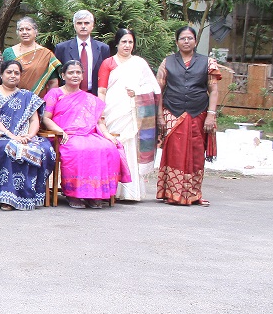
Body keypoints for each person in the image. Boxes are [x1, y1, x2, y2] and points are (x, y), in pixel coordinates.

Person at [42, 60, 126, 208]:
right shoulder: (55, 94)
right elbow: (46, 118)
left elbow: (99, 122)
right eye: (70, 72)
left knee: (107, 148)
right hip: (65, 136)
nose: (75, 75)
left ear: (82, 76)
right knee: (79, 150)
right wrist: (60, 131)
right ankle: (74, 194)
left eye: (78, 72)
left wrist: (108, 135)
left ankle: (94, 194)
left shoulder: (90, 99)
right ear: (63, 75)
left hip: (88, 134)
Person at [155, 26, 221, 206]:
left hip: (198, 112)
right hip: (172, 111)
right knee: (174, 152)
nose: (186, 41)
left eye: (189, 38)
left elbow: (213, 90)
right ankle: (172, 193)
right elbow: (158, 90)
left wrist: (211, 115)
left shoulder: (207, 62)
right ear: (177, 42)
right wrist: (160, 116)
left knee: (196, 153)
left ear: (195, 41)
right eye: (182, 38)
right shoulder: (167, 62)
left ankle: (194, 194)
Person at [0, 60, 56, 210]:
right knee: (9, 149)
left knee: (45, 150)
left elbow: (35, 120)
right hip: (1, 136)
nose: (13, 75)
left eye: (17, 73)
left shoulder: (27, 95)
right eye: (9, 72)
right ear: (1, 75)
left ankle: (31, 196)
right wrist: (12, 136)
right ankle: (7, 198)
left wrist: (29, 136)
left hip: (26, 136)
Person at [98, 28, 161, 202]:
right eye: (124, 41)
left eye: (130, 42)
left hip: (134, 112)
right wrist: (100, 112)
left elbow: (154, 88)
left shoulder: (139, 63)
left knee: (132, 148)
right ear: (117, 43)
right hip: (113, 111)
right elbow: (102, 90)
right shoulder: (108, 63)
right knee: (114, 147)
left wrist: (138, 92)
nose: (127, 45)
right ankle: (110, 189)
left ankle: (130, 191)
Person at [54, 9, 110, 95]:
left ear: (92, 25)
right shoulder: (62, 48)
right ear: (74, 25)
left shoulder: (103, 48)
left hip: (95, 96)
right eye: (79, 23)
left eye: (87, 23)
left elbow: (106, 76)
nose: (83, 26)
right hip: (69, 96)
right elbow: (57, 76)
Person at [2, 16, 60, 94]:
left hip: (38, 101)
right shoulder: (8, 52)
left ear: (36, 32)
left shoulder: (46, 54)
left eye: (28, 29)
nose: (24, 32)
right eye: (21, 30)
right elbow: (2, 78)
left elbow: (53, 82)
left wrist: (49, 103)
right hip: (11, 99)